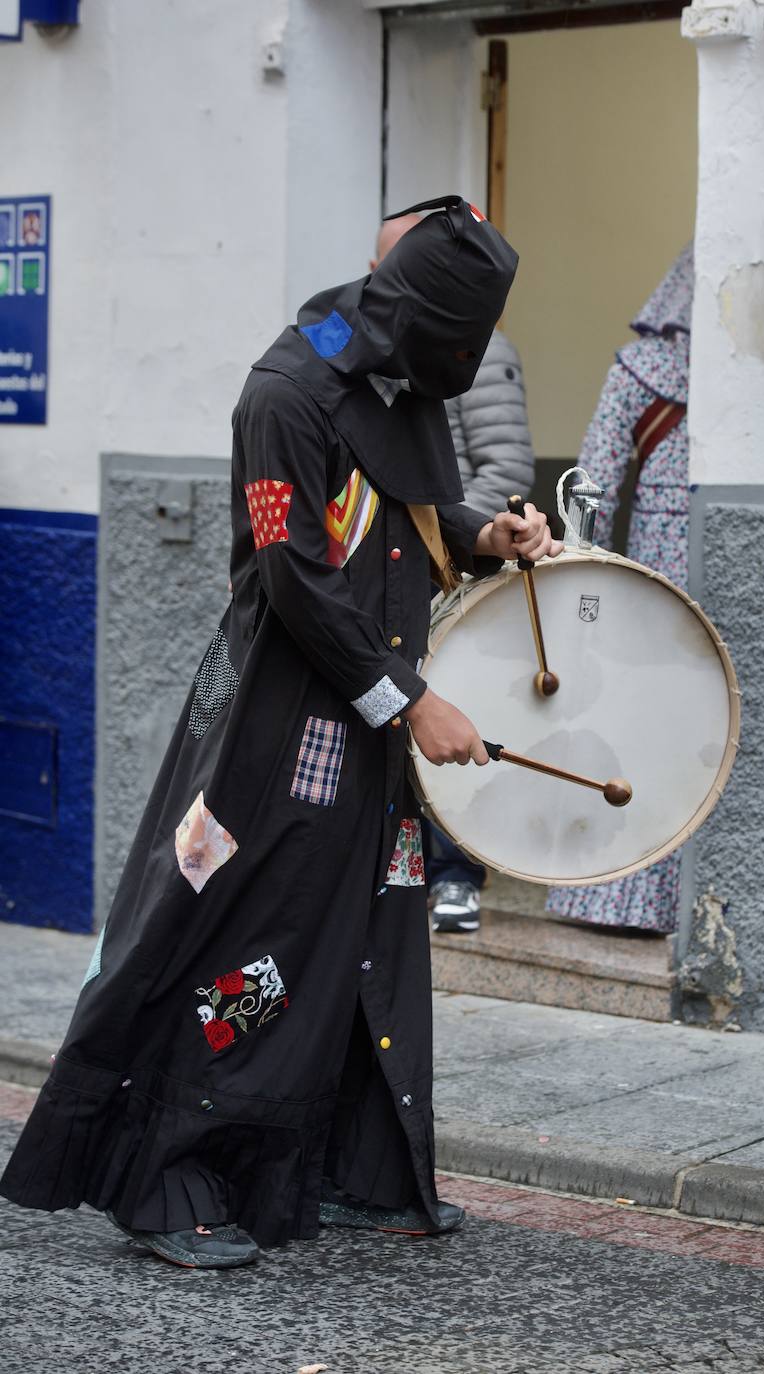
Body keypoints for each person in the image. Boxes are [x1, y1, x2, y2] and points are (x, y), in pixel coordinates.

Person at [0, 196, 562, 1269]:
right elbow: (294, 575)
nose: (464, 364)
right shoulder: (287, 389)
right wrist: (411, 697)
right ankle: (169, 1178)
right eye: (458, 347)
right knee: (250, 934)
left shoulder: (392, 373)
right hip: (281, 718)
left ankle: (349, 1167)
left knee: (366, 930)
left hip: (367, 718)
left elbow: (401, 503)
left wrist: (486, 533)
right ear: (418, 321)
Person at [373, 213, 536, 934]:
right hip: (399, 573)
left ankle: (454, 873)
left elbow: (504, 465)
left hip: (448, 570)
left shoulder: (477, 354)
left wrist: (469, 537)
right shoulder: (327, 375)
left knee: (449, 710)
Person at [546, 244, 693, 934]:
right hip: (714, 570)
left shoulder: (640, 369)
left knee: (638, 723)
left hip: (656, 576)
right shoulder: (754, 375)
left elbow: (593, 480)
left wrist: (582, 576)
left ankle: (612, 897)